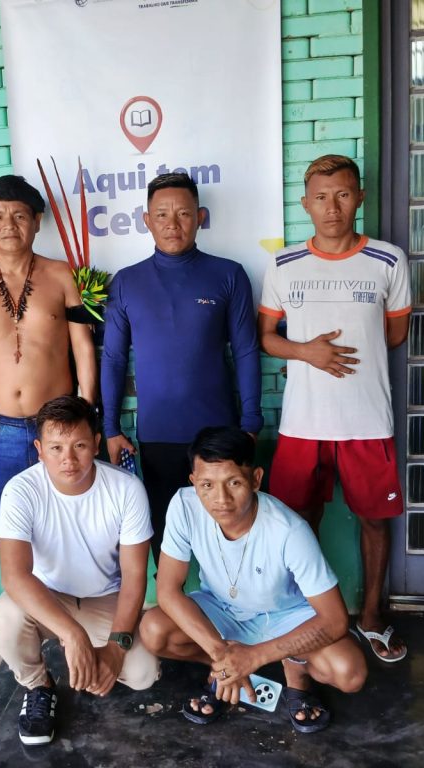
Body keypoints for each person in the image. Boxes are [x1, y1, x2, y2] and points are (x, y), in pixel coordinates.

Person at [257, 154, 412, 663]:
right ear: (305, 204)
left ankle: (371, 616)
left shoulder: (388, 260)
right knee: (299, 521)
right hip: (304, 422)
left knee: (374, 519)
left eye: (343, 195)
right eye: (321, 197)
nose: (332, 207)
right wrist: (307, 353)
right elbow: (266, 337)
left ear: (359, 197)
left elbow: (394, 333)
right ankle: (304, 616)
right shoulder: (284, 264)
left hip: (367, 418)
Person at [139, 426, 366, 733]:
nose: (220, 499)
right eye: (207, 485)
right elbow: (167, 590)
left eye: (234, 482)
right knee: (154, 630)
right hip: (222, 609)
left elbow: (335, 620)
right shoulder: (184, 505)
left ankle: (295, 671)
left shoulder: (289, 529)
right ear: (194, 482)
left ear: (256, 479)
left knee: (349, 672)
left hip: (286, 616)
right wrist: (223, 656)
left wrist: (255, 656)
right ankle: (223, 670)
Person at [102, 172, 263, 563]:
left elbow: (246, 350)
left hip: (219, 432)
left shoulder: (228, 275)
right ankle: (172, 598)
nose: (172, 224)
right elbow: (114, 358)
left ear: (200, 217)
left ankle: (229, 597)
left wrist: (251, 423)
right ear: (147, 220)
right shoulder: (127, 282)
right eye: (161, 214)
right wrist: (110, 428)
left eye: (183, 214)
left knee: (229, 535)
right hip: (158, 433)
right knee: (165, 537)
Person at [0, 395, 159, 745]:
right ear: (39, 449)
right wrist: (72, 635)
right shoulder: (20, 490)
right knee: (6, 618)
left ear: (96, 444)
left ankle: (93, 660)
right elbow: (14, 575)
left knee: (143, 673)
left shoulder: (127, 489)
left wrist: (115, 648)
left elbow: (134, 577)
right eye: (56, 448)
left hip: (105, 598)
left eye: (79, 446)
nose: (68, 459)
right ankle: (39, 686)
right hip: (48, 599)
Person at [0, 175, 97, 546]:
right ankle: (19, 587)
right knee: (8, 532)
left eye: (19, 216)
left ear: (37, 221)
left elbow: (83, 346)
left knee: (68, 526)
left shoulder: (61, 275)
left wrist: (86, 411)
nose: (8, 225)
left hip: (59, 427)